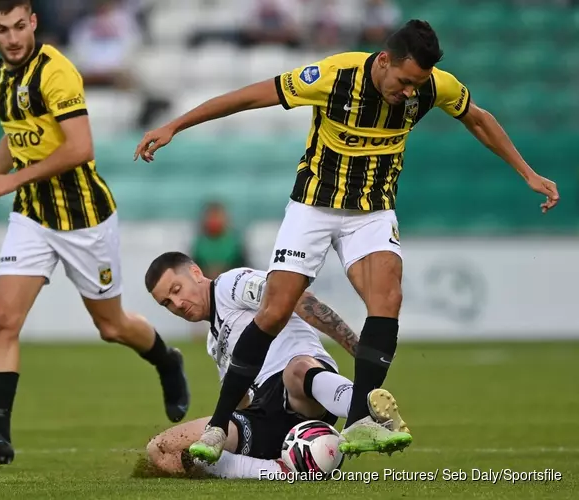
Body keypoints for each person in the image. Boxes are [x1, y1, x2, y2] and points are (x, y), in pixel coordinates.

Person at [134, 19, 560, 462]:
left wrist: (527, 173)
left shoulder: (436, 87)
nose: (411, 92)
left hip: (372, 212)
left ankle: (359, 420)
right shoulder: (334, 76)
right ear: (383, 61)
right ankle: (219, 425)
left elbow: (479, 117)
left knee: (388, 297)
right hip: (313, 208)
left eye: (418, 84)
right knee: (276, 309)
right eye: (404, 81)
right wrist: (176, 126)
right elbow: (248, 97)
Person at [0, 0, 189, 465]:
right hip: (32, 217)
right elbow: (13, 136)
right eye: (3, 29)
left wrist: (10, 180)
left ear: (34, 22)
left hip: (84, 220)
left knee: (111, 326)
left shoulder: (55, 71)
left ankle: (166, 360)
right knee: (2, 319)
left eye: (21, 26)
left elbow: (80, 148)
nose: (14, 37)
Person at [143, 252, 410, 478]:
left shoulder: (230, 285)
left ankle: (365, 411)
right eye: (167, 303)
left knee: (295, 371)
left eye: (176, 290)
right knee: (163, 449)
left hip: (303, 389)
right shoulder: (214, 344)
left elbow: (298, 300)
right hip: (265, 414)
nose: (177, 304)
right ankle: (276, 470)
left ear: (195, 272)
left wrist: (358, 349)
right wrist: (232, 429)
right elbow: (241, 399)